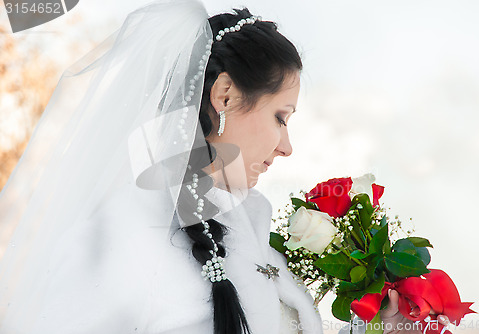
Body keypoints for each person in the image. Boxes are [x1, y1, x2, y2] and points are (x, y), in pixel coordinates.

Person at [0, 0, 450, 333]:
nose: (286, 147)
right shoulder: (123, 233)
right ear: (226, 96)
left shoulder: (252, 223)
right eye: (281, 117)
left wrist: (382, 327)